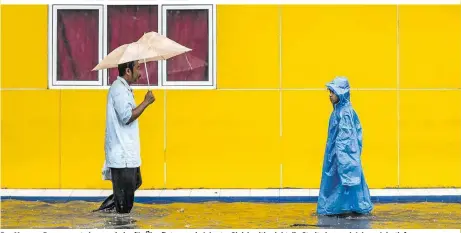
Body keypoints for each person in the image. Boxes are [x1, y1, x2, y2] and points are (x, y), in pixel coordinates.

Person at [94, 60, 155, 214]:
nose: (140, 73)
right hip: (122, 156)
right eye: (138, 68)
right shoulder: (119, 90)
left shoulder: (124, 89)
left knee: (135, 183)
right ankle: (110, 218)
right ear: (128, 71)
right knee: (124, 206)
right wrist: (146, 102)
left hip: (127, 153)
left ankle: (104, 212)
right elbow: (127, 117)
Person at [317, 76, 373, 216]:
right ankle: (347, 207)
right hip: (336, 158)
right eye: (329, 91)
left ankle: (344, 209)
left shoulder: (345, 113)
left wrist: (346, 166)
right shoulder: (339, 111)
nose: (330, 95)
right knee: (338, 184)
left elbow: (347, 143)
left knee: (342, 183)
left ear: (341, 93)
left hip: (342, 160)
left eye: (333, 92)